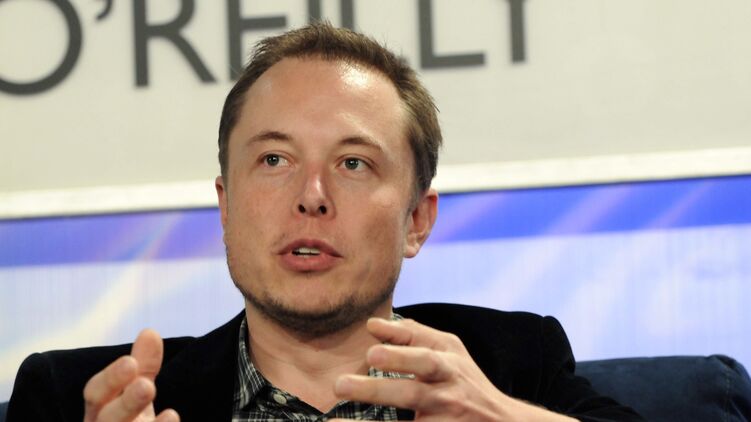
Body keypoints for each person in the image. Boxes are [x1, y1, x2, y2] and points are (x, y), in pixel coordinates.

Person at [7, 22, 643, 421]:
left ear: (417, 221)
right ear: (226, 208)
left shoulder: (511, 364)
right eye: (274, 160)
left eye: (353, 163)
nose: (311, 197)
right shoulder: (77, 397)